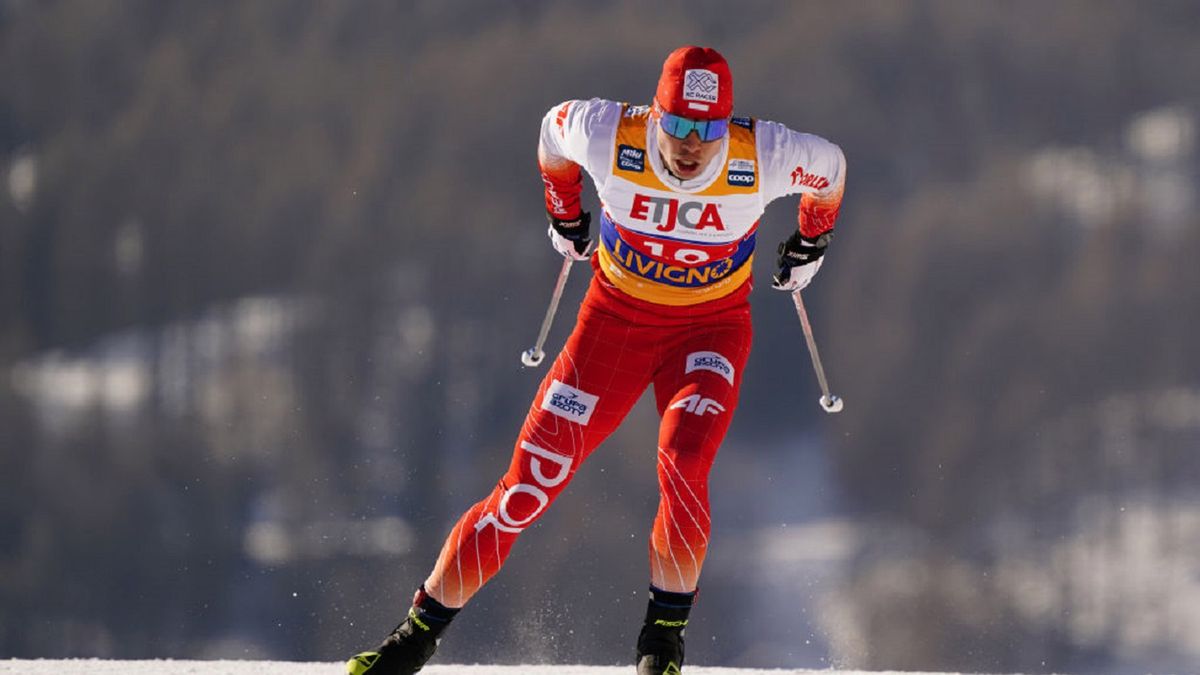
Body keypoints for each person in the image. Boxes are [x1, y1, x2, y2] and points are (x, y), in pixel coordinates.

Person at [347, 45, 846, 675]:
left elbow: (831, 170)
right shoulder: (607, 131)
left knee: (685, 461)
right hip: (612, 328)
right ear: (656, 114)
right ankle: (414, 636)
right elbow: (551, 132)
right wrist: (564, 209)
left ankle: (662, 638)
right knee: (527, 488)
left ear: (728, 125)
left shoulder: (764, 155)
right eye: (679, 127)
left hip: (708, 334)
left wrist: (810, 240)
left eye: (708, 130)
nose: (692, 145)